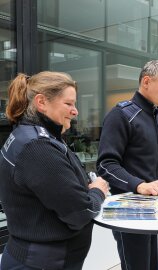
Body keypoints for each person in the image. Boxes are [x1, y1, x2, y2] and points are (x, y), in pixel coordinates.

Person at [0, 72, 109, 270]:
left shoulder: (29, 136)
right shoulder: (37, 147)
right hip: (43, 263)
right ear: (41, 102)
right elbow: (80, 212)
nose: (75, 111)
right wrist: (98, 190)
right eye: (68, 104)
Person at [96, 60, 158, 270]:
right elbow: (106, 165)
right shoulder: (121, 115)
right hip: (130, 211)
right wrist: (140, 185)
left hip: (157, 208)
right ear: (146, 81)